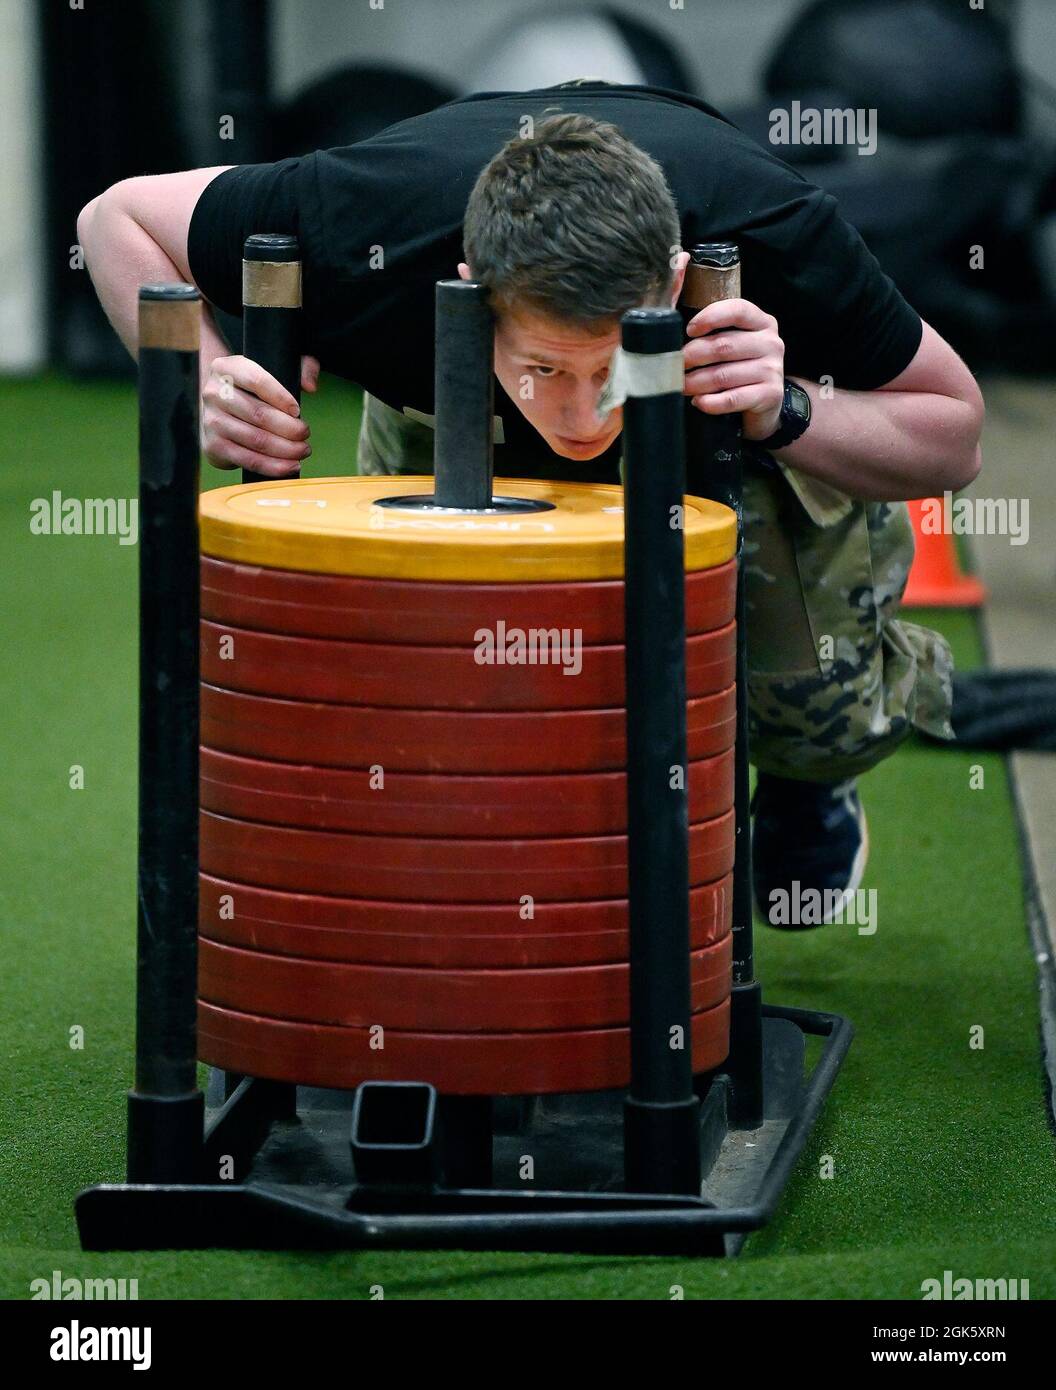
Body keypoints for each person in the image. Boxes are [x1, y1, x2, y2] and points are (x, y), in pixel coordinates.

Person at [77, 80, 984, 927]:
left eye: (607, 365)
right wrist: (201, 383)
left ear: (672, 285)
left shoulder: (772, 227)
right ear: (472, 289)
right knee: (436, 700)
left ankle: (805, 781)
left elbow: (955, 432)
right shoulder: (357, 222)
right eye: (545, 367)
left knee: (818, 722)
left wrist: (784, 406)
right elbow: (113, 216)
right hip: (447, 397)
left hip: (713, 416)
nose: (581, 411)